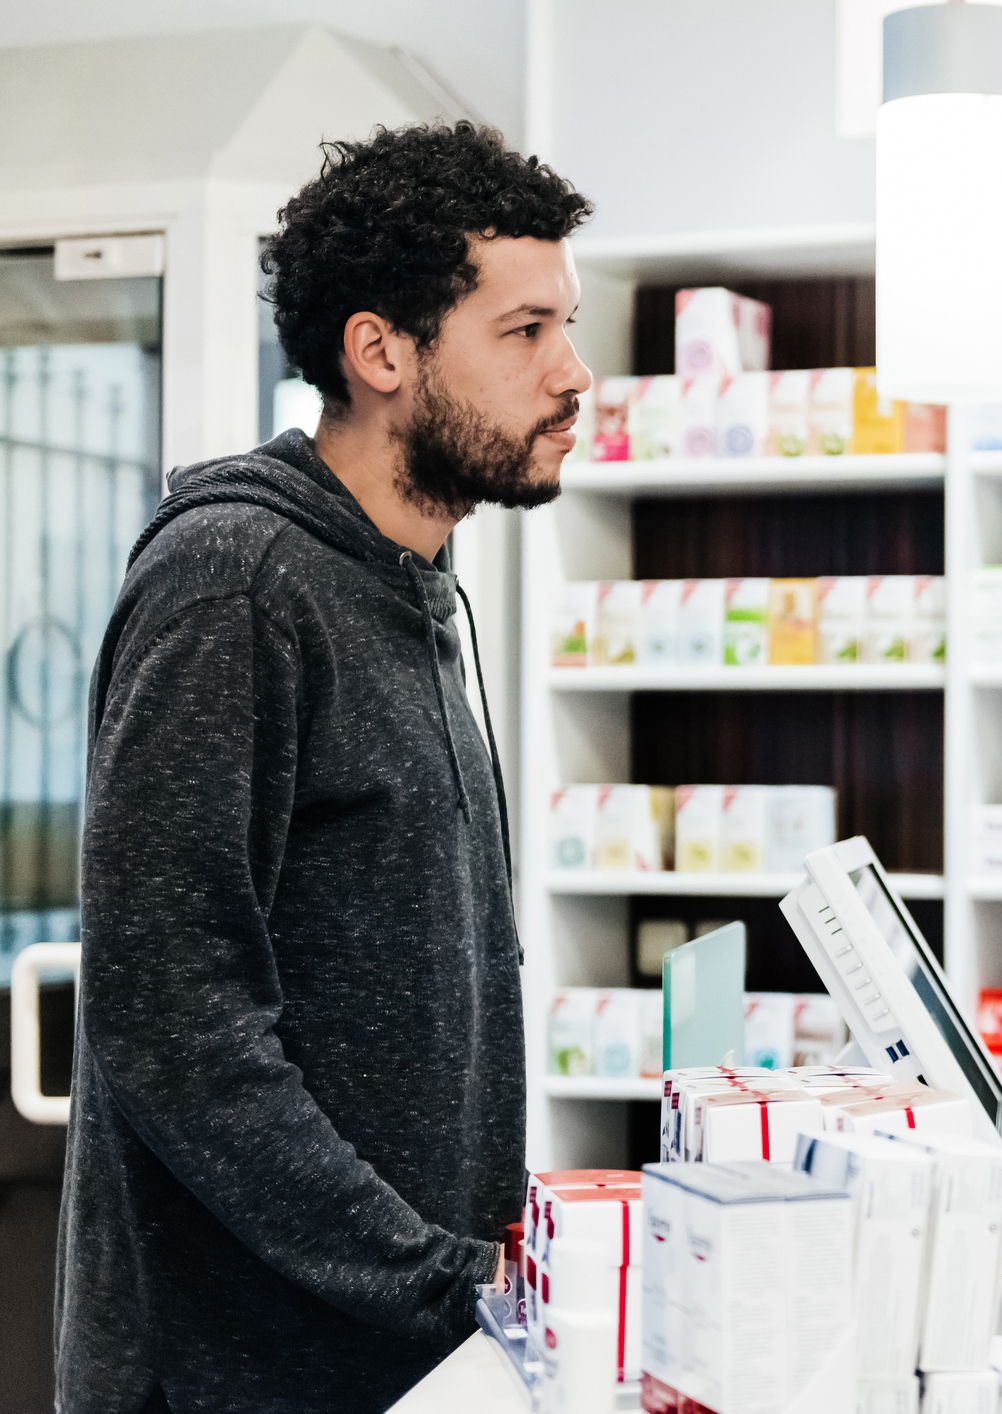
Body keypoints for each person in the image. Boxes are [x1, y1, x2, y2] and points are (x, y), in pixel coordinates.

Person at [56, 122, 592, 1414]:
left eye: (566, 326)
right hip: (234, 1370)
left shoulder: (412, 586)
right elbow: (170, 1018)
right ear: (381, 351)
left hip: (392, 1353)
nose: (573, 374)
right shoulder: (234, 579)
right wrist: (432, 1277)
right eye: (524, 333)